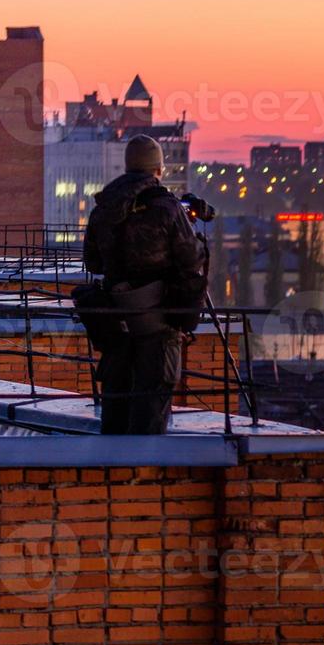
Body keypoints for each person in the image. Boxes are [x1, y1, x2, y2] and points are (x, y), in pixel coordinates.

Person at [83, 135, 206, 434]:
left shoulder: (104, 207)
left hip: (115, 320)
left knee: (116, 398)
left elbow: (93, 263)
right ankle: (144, 467)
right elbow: (191, 260)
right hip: (158, 321)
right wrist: (197, 236)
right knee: (152, 401)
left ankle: (113, 466)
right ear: (158, 169)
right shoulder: (167, 208)